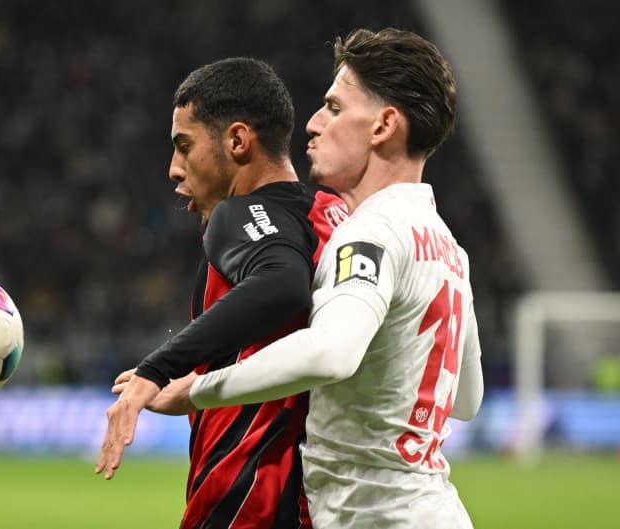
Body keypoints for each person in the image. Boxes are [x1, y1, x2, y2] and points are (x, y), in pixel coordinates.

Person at [107, 28, 484, 528]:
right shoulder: (446, 246)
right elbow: (464, 397)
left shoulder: (368, 234)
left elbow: (330, 351)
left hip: (375, 515)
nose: (312, 123)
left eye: (333, 107)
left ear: (383, 125)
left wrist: (196, 388)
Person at [95, 57, 348, 529]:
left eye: (184, 147)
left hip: (244, 497)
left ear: (237, 140)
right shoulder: (334, 214)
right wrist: (197, 387)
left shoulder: (238, 215)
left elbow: (280, 284)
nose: (173, 169)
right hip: (311, 498)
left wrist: (156, 369)